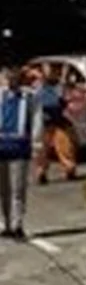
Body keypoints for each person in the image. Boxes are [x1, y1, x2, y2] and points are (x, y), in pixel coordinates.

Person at [0, 66, 44, 238]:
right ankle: (6, 224)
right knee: (3, 189)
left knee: (18, 189)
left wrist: (36, 143)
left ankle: (18, 224)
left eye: (13, 78)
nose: (10, 81)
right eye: (7, 78)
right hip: (1, 147)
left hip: (20, 146)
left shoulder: (29, 97)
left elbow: (37, 119)